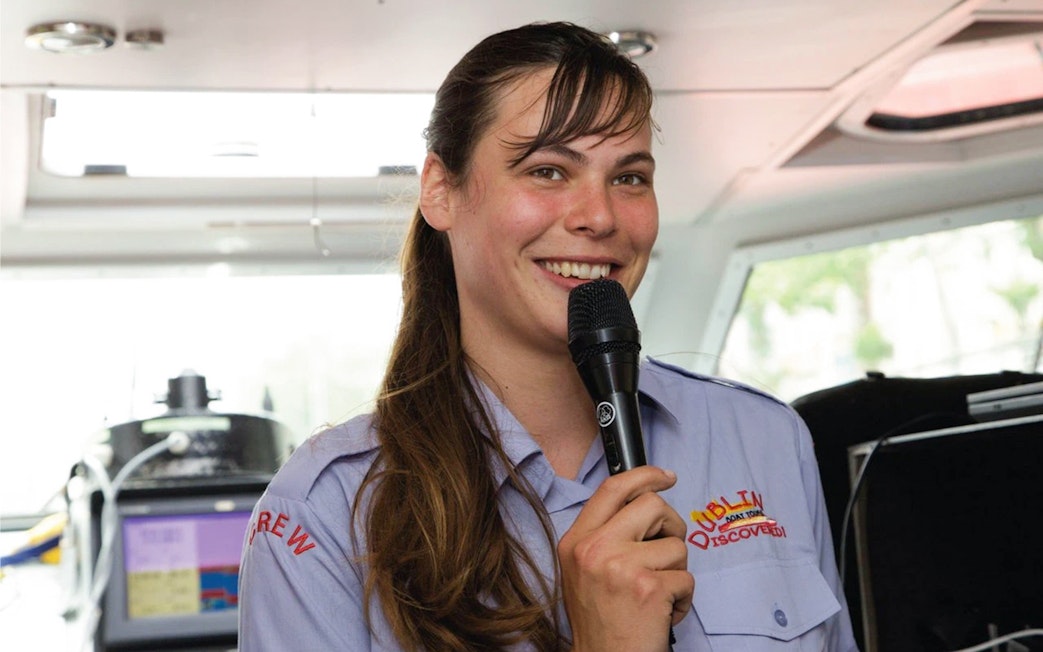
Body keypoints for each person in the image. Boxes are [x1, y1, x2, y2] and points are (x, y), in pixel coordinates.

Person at [238, 21, 857, 652]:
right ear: (441, 191)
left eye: (629, 177)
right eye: (548, 171)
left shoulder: (764, 438)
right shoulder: (323, 512)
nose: (599, 217)